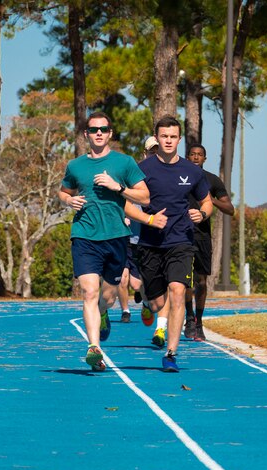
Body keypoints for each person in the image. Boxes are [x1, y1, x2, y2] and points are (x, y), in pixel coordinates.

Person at [58, 112, 152, 371]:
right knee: (89, 291)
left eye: (104, 129)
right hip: (84, 235)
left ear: (110, 133)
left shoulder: (124, 163)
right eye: (93, 129)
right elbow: (63, 191)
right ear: (86, 134)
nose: (99, 133)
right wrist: (69, 201)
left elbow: (144, 198)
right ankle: (94, 349)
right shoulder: (75, 166)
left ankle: (103, 312)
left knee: (108, 297)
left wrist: (118, 187)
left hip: (116, 237)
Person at [136, 116, 213, 372]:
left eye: (173, 137)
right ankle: (149, 304)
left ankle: (171, 353)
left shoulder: (192, 171)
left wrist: (200, 214)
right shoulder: (142, 170)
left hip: (181, 241)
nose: (168, 141)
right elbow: (125, 200)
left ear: (179, 140)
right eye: (164, 136)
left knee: (178, 291)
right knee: (159, 304)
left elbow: (207, 203)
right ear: (156, 139)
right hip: (150, 243)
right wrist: (147, 218)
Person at [183, 143, 235, 340]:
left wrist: (210, 200)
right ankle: (189, 318)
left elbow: (230, 208)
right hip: (183, 235)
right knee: (186, 280)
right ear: (187, 157)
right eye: (193, 154)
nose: (196, 157)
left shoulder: (212, 180)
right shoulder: (181, 178)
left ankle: (199, 321)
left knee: (201, 282)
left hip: (203, 236)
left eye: (200, 155)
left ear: (204, 159)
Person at [117, 137, 160, 323]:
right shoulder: (132, 174)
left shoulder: (163, 176)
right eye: (151, 151)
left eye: (157, 151)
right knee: (125, 279)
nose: (154, 155)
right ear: (144, 153)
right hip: (128, 235)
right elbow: (121, 196)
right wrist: (123, 214)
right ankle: (125, 311)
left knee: (138, 282)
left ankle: (145, 302)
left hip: (149, 236)